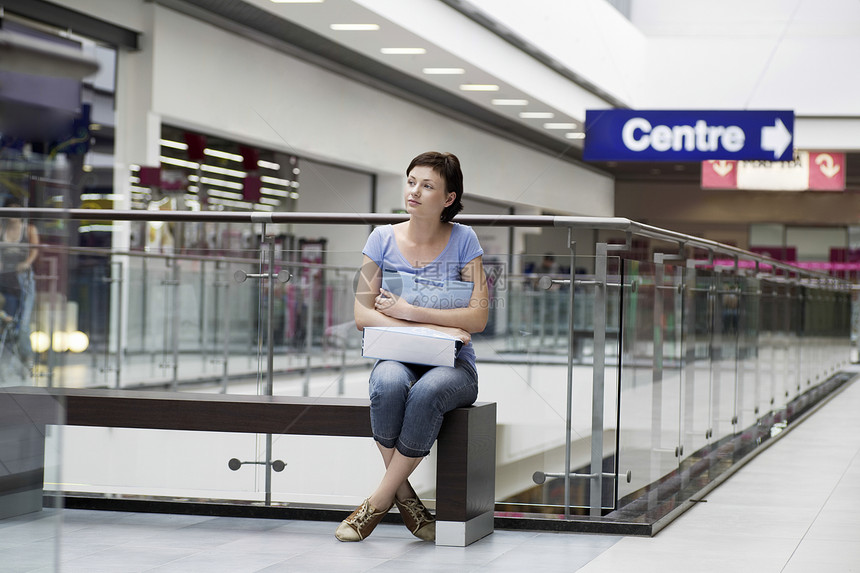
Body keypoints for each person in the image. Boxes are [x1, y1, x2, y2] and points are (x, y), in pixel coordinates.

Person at [340, 151, 488, 542]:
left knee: (426, 392)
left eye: (428, 186)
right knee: (387, 383)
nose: (415, 191)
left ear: (449, 198)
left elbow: (478, 318)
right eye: (411, 181)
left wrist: (408, 309)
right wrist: (424, 319)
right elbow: (360, 313)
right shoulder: (381, 238)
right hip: (396, 356)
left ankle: (376, 502)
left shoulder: (465, 240)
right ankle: (405, 498)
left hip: (454, 365)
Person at [0, 198, 39, 365]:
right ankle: (8, 358)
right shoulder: (2, 228)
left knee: (23, 322)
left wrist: (26, 263)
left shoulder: (29, 229)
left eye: (16, 209)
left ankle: (27, 356)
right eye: (10, 209)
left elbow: (35, 249)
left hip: (22, 278)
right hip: (5, 277)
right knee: (8, 319)